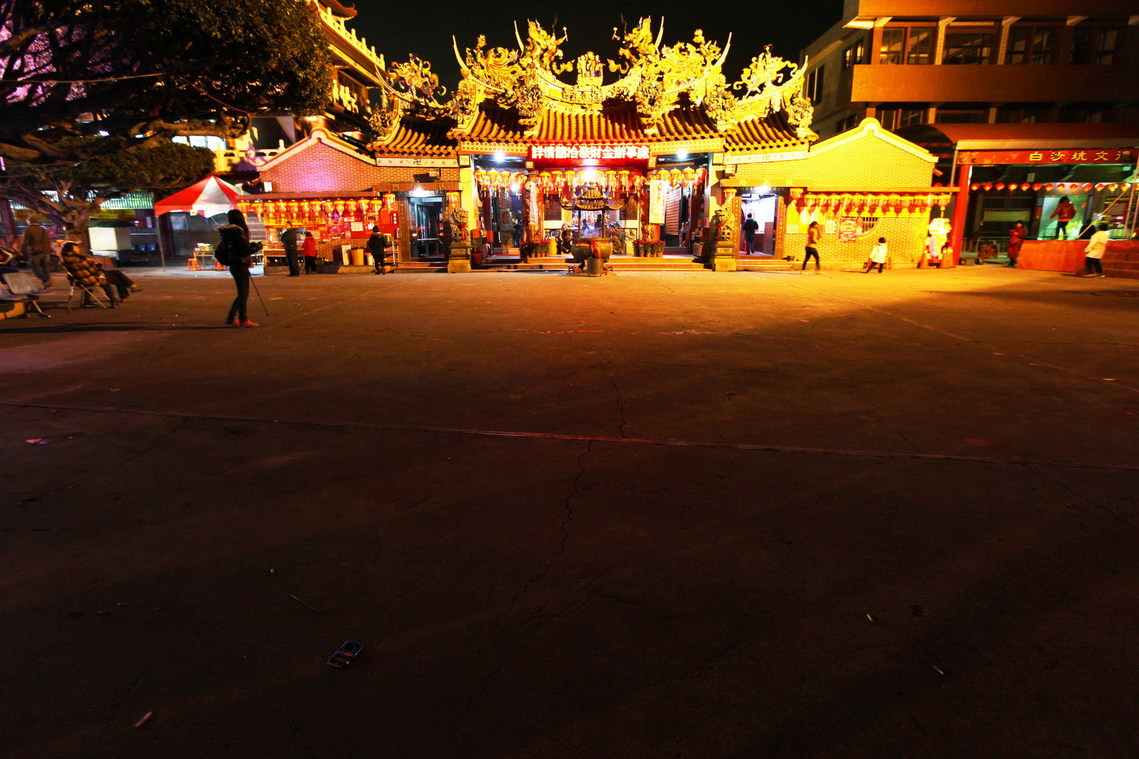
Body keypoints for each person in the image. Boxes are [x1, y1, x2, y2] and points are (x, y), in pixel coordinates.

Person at [60, 242, 140, 305]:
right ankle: (126, 292)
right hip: (90, 279)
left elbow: (84, 271)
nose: (78, 249)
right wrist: (96, 267)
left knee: (116, 273)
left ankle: (131, 288)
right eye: (76, 248)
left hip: (80, 280)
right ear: (71, 250)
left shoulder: (67, 259)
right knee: (117, 276)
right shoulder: (79, 259)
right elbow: (93, 270)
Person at [218, 209, 258, 327]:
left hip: (234, 264)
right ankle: (242, 319)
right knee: (243, 293)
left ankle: (231, 317)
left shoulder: (228, 233)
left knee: (242, 292)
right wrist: (257, 247)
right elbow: (245, 249)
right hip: (240, 264)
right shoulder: (238, 232)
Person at [22, 218, 54, 289]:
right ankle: (46, 284)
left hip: (36, 252)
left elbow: (25, 242)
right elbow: (48, 241)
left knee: (36, 270)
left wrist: (22, 251)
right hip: (46, 252)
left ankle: (46, 280)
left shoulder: (28, 230)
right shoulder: (43, 230)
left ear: (29, 222)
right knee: (46, 269)